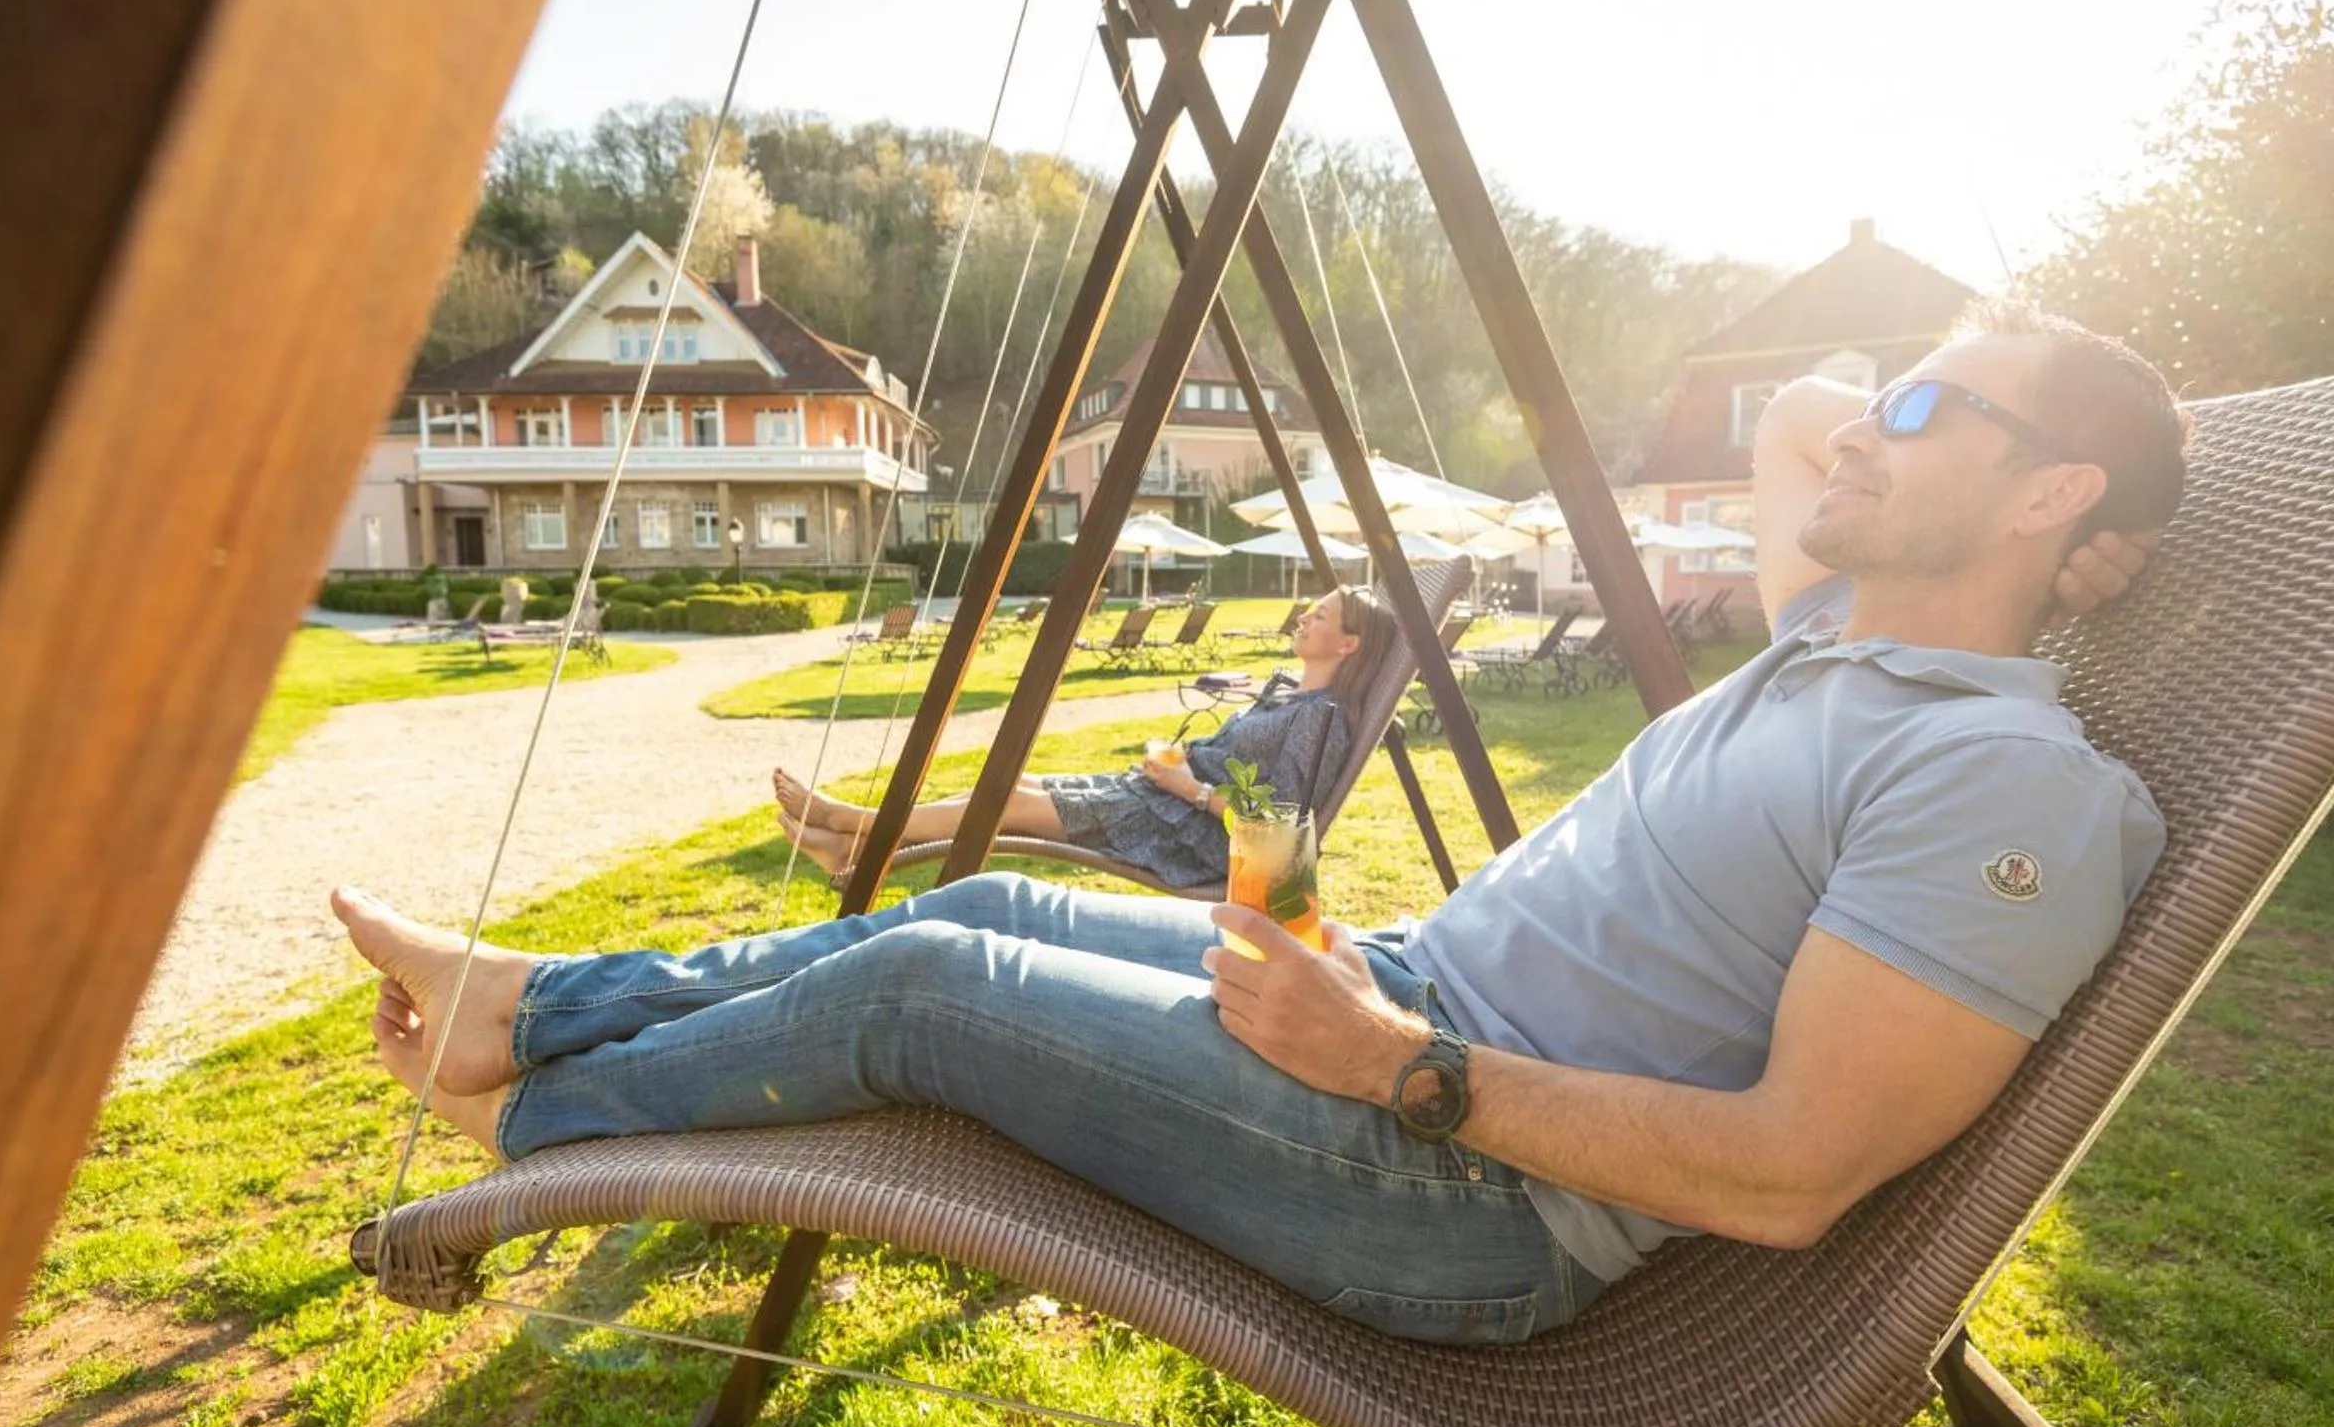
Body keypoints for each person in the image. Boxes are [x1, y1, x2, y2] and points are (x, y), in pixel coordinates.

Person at [336, 301, 2187, 1348]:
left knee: (914, 975)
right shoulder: (1833, 649)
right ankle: (529, 1003)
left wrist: (1404, 1073)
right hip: (1393, 1000)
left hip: (1466, 1189)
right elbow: (1798, 409)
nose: (1867, 426)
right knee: (976, 888)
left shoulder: (1999, 781)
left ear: (2054, 487)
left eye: (1930, 401)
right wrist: (1972, 455)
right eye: (1897, 377)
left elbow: (1792, 1174)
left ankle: (523, 1120)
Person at [769, 585, 1394, 888]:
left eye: (1320, 615)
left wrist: (1187, 787)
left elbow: (1280, 824)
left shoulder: (1324, 716)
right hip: (1165, 801)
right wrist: (1176, 766)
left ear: (1348, 643)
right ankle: (851, 854)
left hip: (1188, 836)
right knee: (1009, 785)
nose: (1305, 617)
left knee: (1008, 806)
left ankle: (850, 821)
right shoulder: (1293, 691)